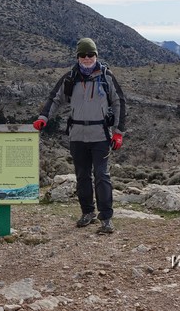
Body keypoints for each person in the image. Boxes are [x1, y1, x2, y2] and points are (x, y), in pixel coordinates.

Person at [33, 38, 126, 234]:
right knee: (82, 176)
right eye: (82, 55)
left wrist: (118, 132)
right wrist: (43, 117)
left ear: (96, 56)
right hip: (76, 136)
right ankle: (87, 212)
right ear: (77, 57)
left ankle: (106, 218)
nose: (86, 58)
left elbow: (119, 103)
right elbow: (54, 98)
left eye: (90, 54)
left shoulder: (106, 77)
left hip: (100, 135)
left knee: (102, 175)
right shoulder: (70, 78)